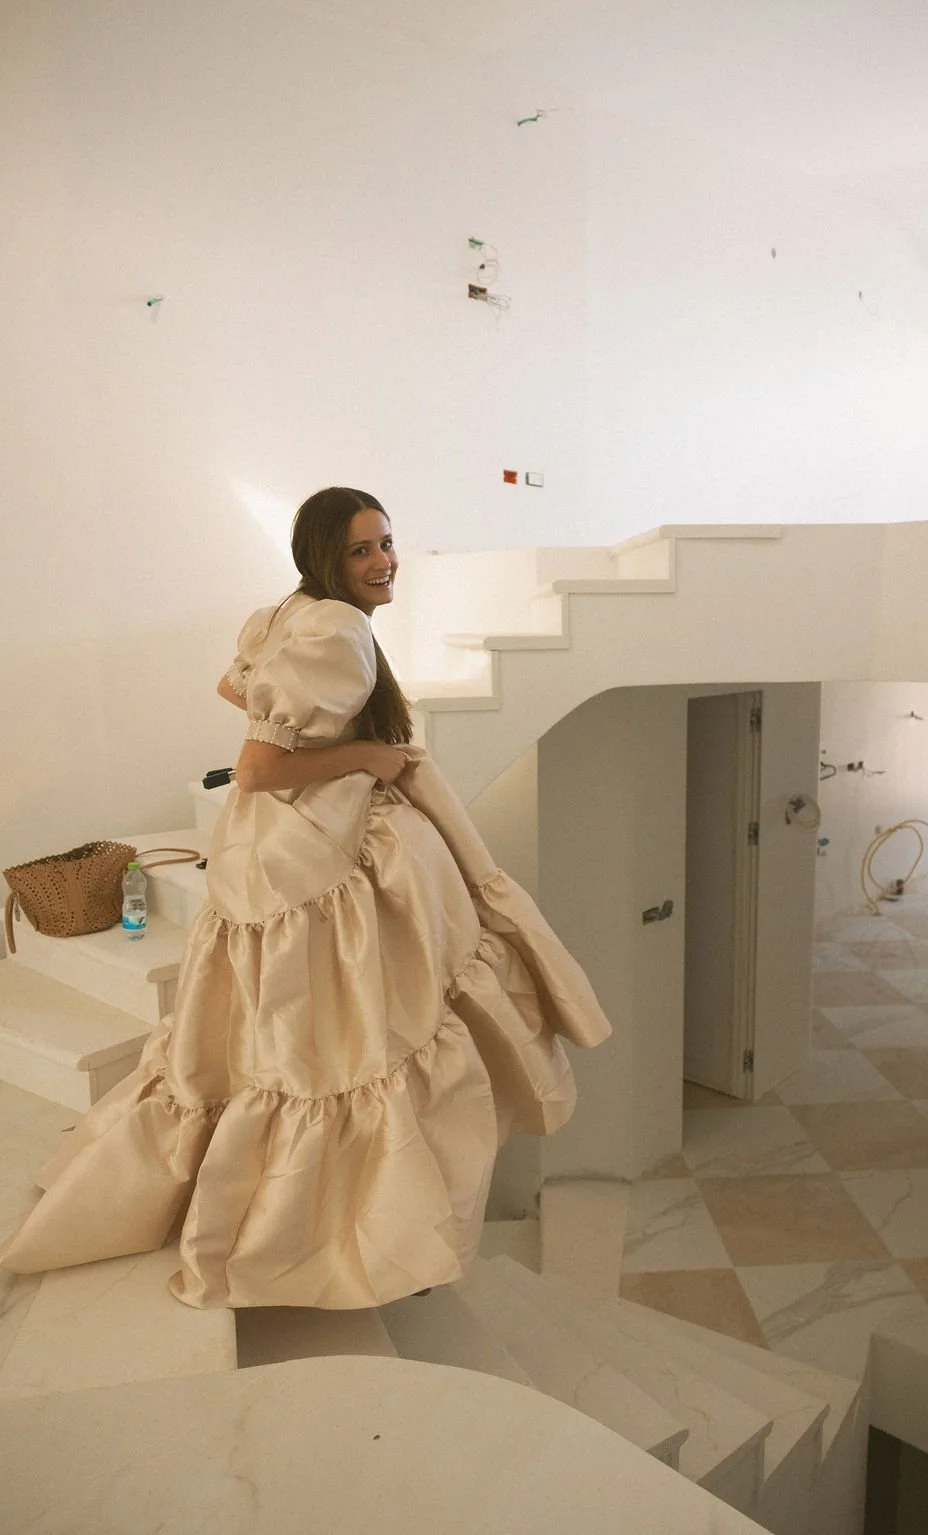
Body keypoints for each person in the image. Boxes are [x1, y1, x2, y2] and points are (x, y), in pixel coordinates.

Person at [1, 487, 612, 1307]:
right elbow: (256, 768)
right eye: (362, 550)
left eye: (387, 542)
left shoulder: (293, 613)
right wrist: (363, 753)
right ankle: (360, 1234)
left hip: (278, 851)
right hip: (318, 859)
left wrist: (329, 736)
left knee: (309, 1044)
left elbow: (241, 691)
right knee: (358, 1043)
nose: (383, 561)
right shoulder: (338, 628)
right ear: (326, 557)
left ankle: (321, 1216)